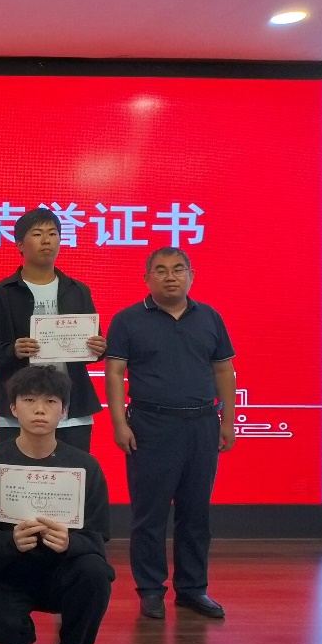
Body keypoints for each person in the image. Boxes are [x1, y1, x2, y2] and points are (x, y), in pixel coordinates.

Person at [105, 247, 235, 620]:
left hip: (202, 424)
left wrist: (227, 420)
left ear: (191, 275)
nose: (170, 276)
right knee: (150, 514)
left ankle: (193, 589)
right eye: (160, 270)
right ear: (147, 279)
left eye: (178, 269)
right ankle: (150, 590)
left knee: (196, 513)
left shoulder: (210, 317)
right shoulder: (128, 319)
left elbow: (223, 370)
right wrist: (119, 423)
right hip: (150, 425)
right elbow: (115, 373)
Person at [0, 365, 114, 644]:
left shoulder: (85, 466)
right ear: (12, 407)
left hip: (61, 570)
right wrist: (10, 541)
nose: (39, 410)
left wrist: (70, 542)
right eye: (29, 400)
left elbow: (98, 537)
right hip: (7, 571)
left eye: (50, 402)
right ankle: (16, 639)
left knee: (95, 572)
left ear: (64, 411)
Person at [0, 207, 106, 451]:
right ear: (20, 245)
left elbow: (94, 343)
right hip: (16, 408)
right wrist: (12, 350)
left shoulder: (77, 290)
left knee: (73, 471)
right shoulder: (1, 293)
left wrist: (98, 347)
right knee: (16, 470)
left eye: (52, 234)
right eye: (38, 234)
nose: (46, 240)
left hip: (71, 408)